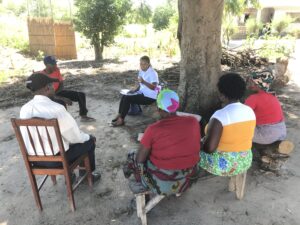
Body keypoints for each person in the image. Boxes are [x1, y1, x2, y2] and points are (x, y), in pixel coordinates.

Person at [22, 73, 101, 181]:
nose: (54, 88)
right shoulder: (56, 108)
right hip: (56, 161)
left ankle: (70, 176)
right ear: (47, 88)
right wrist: (89, 137)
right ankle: (87, 177)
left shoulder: (24, 109)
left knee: (62, 143)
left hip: (35, 160)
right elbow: (74, 137)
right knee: (89, 141)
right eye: (52, 85)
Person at [123, 89, 201, 195]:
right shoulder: (193, 122)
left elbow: (140, 159)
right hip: (189, 179)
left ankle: (141, 185)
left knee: (133, 157)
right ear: (176, 105)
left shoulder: (153, 129)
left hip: (162, 185)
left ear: (159, 108)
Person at [199, 73, 256, 177]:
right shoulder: (249, 111)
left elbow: (209, 149)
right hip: (245, 160)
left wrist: (199, 144)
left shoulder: (220, 115)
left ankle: (190, 177)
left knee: (192, 150)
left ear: (222, 95)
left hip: (225, 166)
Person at [245, 70, 294, 154]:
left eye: (252, 82)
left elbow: (241, 115)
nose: (249, 84)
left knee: (239, 129)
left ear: (258, 84)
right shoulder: (272, 96)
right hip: (281, 132)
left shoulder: (253, 98)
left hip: (267, 135)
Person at [42, 55, 95, 122]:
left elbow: (61, 84)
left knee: (81, 95)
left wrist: (59, 94)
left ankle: (83, 116)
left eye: (55, 63)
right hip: (48, 97)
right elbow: (45, 94)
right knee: (61, 102)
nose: (56, 65)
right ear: (47, 65)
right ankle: (63, 121)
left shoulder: (57, 70)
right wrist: (62, 98)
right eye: (53, 64)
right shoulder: (41, 76)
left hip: (58, 91)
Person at [111, 56, 159, 126]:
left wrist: (144, 82)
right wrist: (134, 91)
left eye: (144, 64)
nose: (142, 66)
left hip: (149, 97)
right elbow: (141, 85)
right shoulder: (141, 71)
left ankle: (121, 120)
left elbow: (154, 88)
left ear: (148, 64)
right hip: (142, 93)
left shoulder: (153, 73)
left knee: (128, 99)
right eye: (141, 64)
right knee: (125, 95)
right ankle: (120, 114)